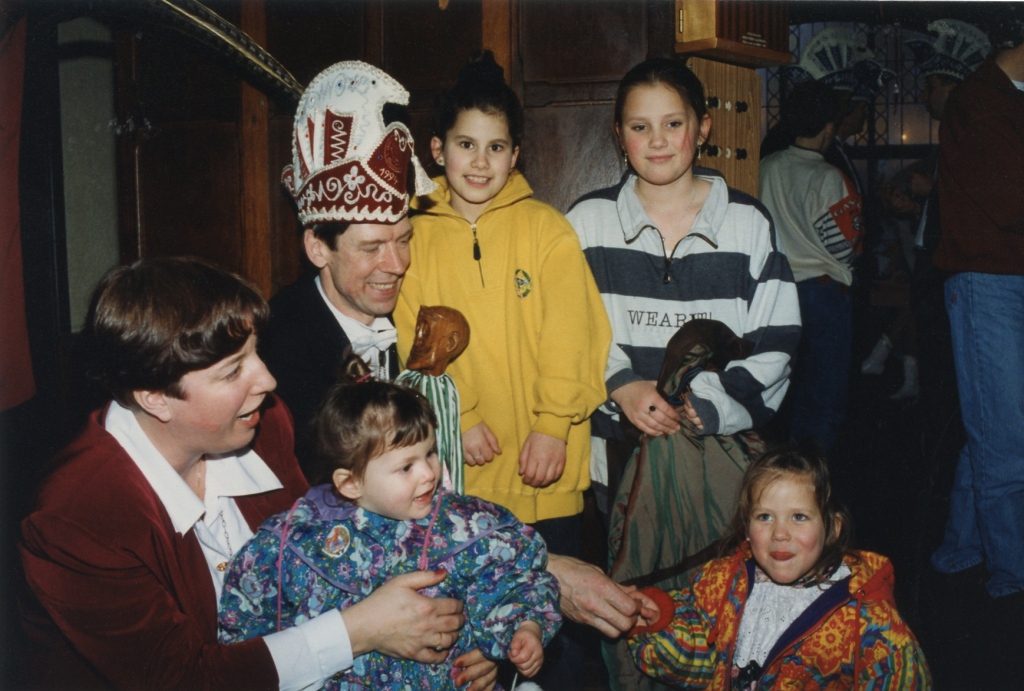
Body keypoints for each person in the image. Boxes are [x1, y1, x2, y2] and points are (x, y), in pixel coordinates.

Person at [17, 257, 497, 690]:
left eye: (255, 353)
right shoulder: (76, 519)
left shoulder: (264, 426)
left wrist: (455, 632)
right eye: (232, 372)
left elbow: (338, 548)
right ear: (155, 397)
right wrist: (360, 631)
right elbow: (184, 679)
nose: (267, 380)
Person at [395, 50, 611, 690]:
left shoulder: (547, 230)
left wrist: (552, 424)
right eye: (466, 144)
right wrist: (459, 416)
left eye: (496, 147)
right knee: (473, 636)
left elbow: (575, 334)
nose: (480, 162)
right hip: (462, 473)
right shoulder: (414, 235)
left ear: (516, 155)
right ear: (438, 149)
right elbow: (413, 336)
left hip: (545, 468)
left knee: (553, 638)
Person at [219, 352, 560, 688]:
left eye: (430, 452)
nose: (429, 473)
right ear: (350, 483)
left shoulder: (464, 525)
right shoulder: (298, 540)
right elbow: (248, 618)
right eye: (406, 467)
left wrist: (526, 627)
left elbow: (514, 580)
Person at [566, 57, 800, 518]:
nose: (657, 141)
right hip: (618, 451)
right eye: (640, 127)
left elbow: (778, 341)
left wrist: (715, 398)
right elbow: (565, 327)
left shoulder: (748, 223)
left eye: (673, 124)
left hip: (720, 450)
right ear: (619, 134)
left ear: (703, 127)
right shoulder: (586, 223)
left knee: (720, 562)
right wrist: (620, 384)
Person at [626, 447, 933, 690]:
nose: (780, 534)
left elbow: (901, 677)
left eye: (799, 517)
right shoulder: (721, 583)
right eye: (765, 517)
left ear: (832, 528)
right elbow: (701, 662)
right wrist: (657, 621)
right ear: (747, 528)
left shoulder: (867, 620)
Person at [260, 60, 437, 477]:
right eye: (371, 247)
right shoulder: (282, 345)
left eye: (403, 240)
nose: (397, 265)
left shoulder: (416, 306)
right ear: (318, 248)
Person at [929, 26, 1024, 601]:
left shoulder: (1001, 100)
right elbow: (1012, 201)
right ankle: (1015, 572)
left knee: (993, 426)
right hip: (988, 284)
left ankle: (960, 547)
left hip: (1003, 280)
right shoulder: (980, 100)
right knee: (1007, 436)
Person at [759, 81, 863, 453]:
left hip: (776, 293)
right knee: (823, 397)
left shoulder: (766, 167)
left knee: (779, 389)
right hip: (823, 295)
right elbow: (845, 247)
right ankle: (811, 473)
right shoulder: (828, 177)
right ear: (829, 127)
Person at [396, 305, 471, 493]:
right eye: (418, 330)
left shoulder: (447, 390)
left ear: (450, 343)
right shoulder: (406, 383)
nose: (418, 338)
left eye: (426, 330)